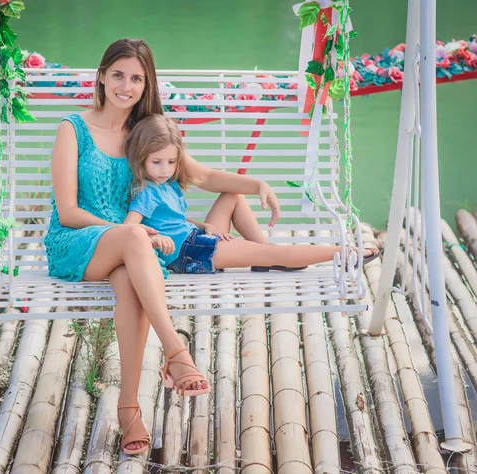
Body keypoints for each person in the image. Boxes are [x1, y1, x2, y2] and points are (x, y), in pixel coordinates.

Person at [44, 37, 356, 456]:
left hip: (132, 250)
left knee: (131, 289)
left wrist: (256, 184)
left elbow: (203, 177)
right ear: (101, 77)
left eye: (136, 78)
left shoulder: (146, 131)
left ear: (146, 83)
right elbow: (67, 211)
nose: (126, 85)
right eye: (117, 75)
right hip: (78, 242)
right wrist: (129, 234)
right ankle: (176, 351)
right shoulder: (74, 129)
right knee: (134, 239)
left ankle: (128, 408)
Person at [123, 114, 381, 275]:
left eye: (171, 162)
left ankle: (264, 253)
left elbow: (171, 221)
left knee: (232, 196)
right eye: (156, 162)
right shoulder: (146, 193)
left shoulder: (167, 185)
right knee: (274, 253)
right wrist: (155, 242)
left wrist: (204, 224)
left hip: (194, 238)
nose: (165, 170)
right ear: (141, 158)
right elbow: (129, 231)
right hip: (187, 253)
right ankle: (345, 253)